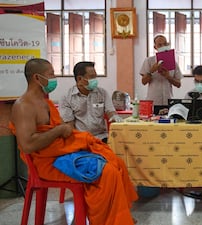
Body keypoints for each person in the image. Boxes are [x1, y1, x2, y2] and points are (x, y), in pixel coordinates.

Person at [9, 58, 138, 225]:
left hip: (62, 153)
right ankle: (108, 220)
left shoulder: (44, 102)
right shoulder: (23, 106)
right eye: (51, 74)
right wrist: (60, 130)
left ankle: (116, 217)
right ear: (36, 78)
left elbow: (60, 132)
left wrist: (64, 132)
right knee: (108, 172)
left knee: (116, 163)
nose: (54, 78)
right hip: (48, 162)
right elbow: (28, 145)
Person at [58, 61, 122, 143]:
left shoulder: (102, 93)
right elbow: (69, 126)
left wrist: (114, 116)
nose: (95, 80)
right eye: (92, 77)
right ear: (79, 79)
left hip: (102, 138)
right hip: (80, 139)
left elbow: (110, 111)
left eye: (95, 77)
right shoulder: (66, 97)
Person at [139, 34, 182, 114]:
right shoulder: (149, 61)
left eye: (165, 44)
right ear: (155, 47)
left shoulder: (173, 63)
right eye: (160, 45)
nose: (163, 46)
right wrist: (151, 71)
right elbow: (143, 82)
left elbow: (178, 84)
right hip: (153, 101)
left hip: (168, 101)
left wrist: (168, 77)